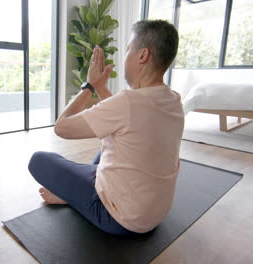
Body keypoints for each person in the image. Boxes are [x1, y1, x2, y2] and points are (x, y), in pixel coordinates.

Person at [28, 20, 184, 236]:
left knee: (38, 160)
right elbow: (127, 121)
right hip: (155, 213)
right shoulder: (174, 100)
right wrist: (101, 88)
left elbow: (61, 127)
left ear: (143, 55)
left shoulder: (128, 102)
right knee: (108, 146)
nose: (126, 56)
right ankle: (73, 192)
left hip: (119, 219)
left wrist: (89, 86)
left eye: (129, 49)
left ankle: (73, 197)